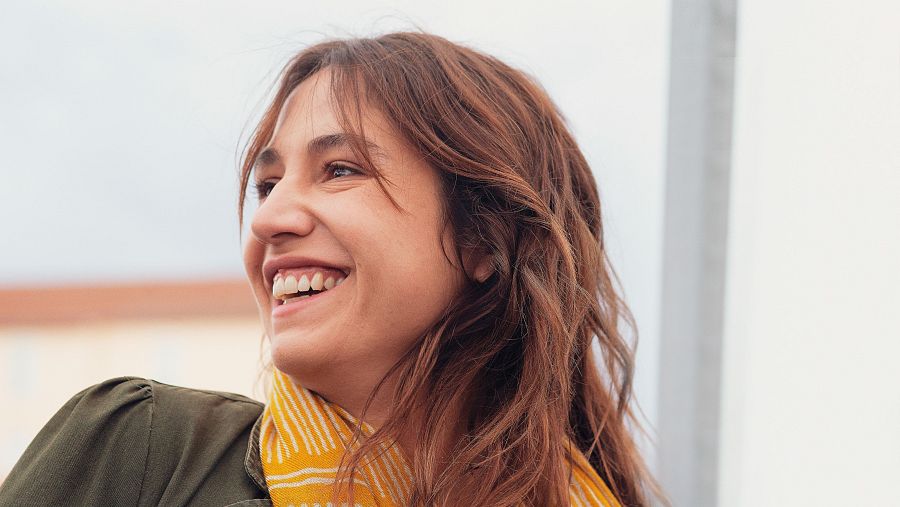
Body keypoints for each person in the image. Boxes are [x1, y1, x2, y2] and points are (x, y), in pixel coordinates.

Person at [0, 31, 662, 506]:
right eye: (267, 184)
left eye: (339, 170)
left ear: (484, 239)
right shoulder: (142, 453)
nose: (268, 220)